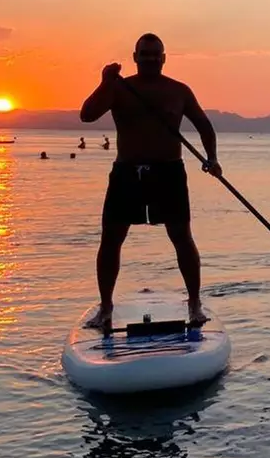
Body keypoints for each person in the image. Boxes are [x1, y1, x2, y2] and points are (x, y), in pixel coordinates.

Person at [80, 33, 220, 330]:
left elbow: (204, 125)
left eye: (156, 54)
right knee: (111, 239)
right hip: (127, 173)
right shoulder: (119, 88)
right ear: (135, 57)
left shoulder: (178, 91)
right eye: (145, 54)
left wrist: (212, 158)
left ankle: (194, 304)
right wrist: (106, 81)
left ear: (164, 58)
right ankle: (106, 308)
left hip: (168, 173)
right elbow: (87, 115)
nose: (151, 59)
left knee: (181, 237)